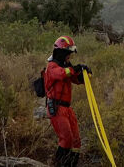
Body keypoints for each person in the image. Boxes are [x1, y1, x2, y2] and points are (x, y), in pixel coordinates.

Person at [44, 35, 91, 167]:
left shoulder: (66, 66)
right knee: (66, 139)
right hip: (57, 108)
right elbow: (61, 74)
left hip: (67, 108)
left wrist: (83, 74)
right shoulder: (52, 67)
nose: (69, 56)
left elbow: (75, 79)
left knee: (76, 140)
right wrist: (73, 69)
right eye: (68, 53)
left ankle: (71, 164)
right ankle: (58, 164)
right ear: (61, 53)